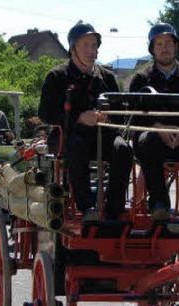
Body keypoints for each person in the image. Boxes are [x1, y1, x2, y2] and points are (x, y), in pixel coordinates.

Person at [38, 22, 133, 223]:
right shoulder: (57, 76)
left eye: (94, 45)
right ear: (73, 48)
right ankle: (86, 205)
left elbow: (122, 112)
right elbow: (46, 113)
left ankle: (114, 208)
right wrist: (78, 117)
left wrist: (109, 116)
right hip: (69, 136)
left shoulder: (107, 77)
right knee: (77, 145)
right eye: (86, 45)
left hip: (102, 137)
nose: (91, 50)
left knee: (123, 149)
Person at [129, 23, 179, 222]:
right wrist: (156, 127)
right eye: (159, 44)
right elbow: (132, 115)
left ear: (176, 46)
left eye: (169, 43)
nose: (164, 48)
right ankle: (159, 205)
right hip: (153, 142)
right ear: (152, 49)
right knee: (148, 140)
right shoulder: (140, 79)